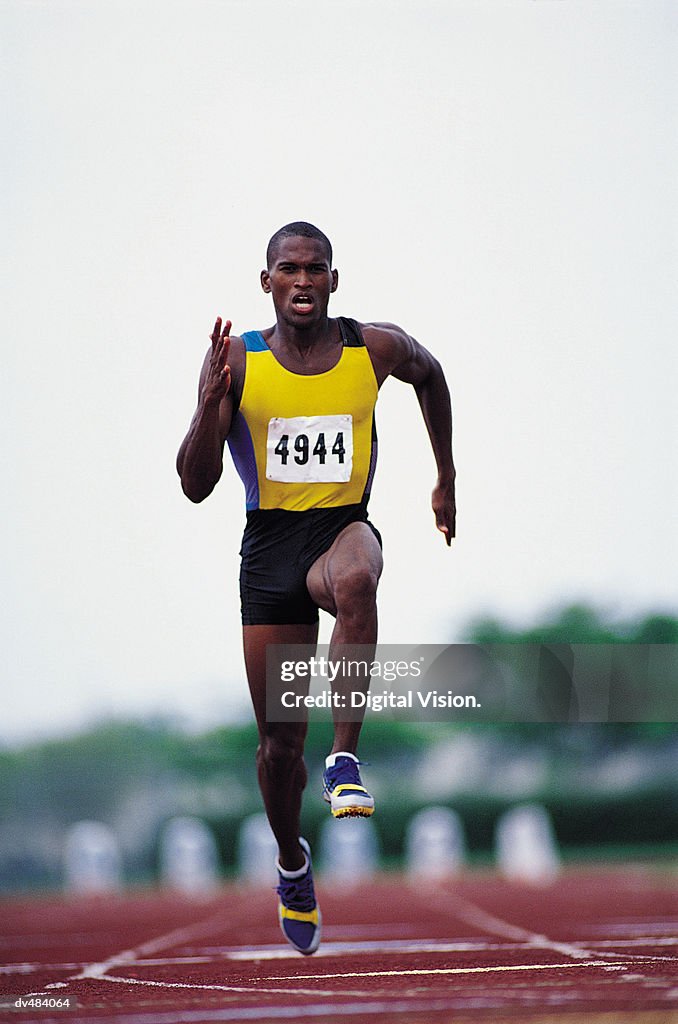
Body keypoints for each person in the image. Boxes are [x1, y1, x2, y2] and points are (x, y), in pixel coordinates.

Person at [177, 221, 455, 955]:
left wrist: (445, 475)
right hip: (269, 548)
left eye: (316, 269)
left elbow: (431, 373)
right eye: (289, 270)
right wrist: (209, 405)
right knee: (275, 749)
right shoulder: (237, 360)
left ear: (335, 279)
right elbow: (195, 486)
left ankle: (345, 760)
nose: (303, 281)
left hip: (340, 529)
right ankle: (293, 862)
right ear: (266, 282)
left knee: (362, 575)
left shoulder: (374, 349)